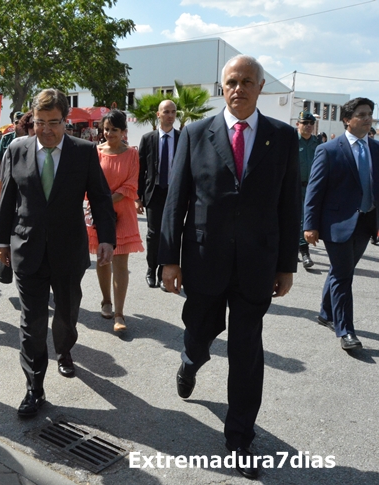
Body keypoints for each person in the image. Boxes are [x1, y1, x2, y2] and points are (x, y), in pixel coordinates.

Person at [159, 55, 300, 479]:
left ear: (260, 88)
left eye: (247, 82)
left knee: (246, 350)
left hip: (256, 264)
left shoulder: (283, 137)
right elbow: (176, 198)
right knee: (200, 330)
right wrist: (168, 259)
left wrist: (285, 265)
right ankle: (190, 359)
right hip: (204, 260)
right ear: (223, 88)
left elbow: (288, 204)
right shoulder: (197, 134)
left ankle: (240, 437)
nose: (238, 88)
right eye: (231, 82)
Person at [0, 88, 116, 418]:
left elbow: (101, 198)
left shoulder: (84, 152)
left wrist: (107, 238)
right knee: (31, 323)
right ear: (31, 120)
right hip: (27, 249)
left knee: (66, 315)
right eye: (39, 122)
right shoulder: (17, 149)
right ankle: (34, 387)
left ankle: (64, 350)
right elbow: (8, 198)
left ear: (65, 121)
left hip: (68, 251)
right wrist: (2, 241)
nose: (46, 130)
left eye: (53, 122)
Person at [303, 97, 378, 351]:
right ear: (347, 119)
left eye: (370, 114)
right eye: (361, 114)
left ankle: (326, 313)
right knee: (344, 276)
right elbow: (314, 190)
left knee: (339, 272)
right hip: (336, 224)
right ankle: (346, 331)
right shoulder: (329, 149)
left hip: (366, 223)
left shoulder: (376, 149)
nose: (368, 119)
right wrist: (309, 224)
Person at [87, 109, 143, 332]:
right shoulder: (96, 152)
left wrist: (105, 201)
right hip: (100, 214)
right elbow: (88, 182)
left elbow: (130, 185)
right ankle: (106, 301)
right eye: (106, 129)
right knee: (103, 259)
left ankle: (119, 314)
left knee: (121, 263)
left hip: (123, 212)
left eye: (114, 130)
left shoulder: (132, 154)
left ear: (123, 132)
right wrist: (100, 205)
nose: (109, 133)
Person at [137, 99, 179, 290]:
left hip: (174, 194)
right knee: (153, 235)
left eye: (173, 112)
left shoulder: (183, 138)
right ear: (158, 114)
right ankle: (151, 270)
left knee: (169, 235)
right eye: (166, 112)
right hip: (154, 193)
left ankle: (164, 273)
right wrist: (138, 198)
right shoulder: (148, 139)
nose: (170, 115)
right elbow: (140, 170)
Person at [295, 110, 322, 269]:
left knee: (305, 219)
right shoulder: (291, 141)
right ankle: (298, 250)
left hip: (312, 188)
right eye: (305, 123)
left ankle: (304, 251)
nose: (309, 126)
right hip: (293, 186)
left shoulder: (317, 144)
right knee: (293, 219)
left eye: (312, 123)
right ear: (298, 124)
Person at [0, 111, 25, 190]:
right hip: (7, 178)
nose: (20, 125)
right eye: (17, 122)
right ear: (13, 124)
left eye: (22, 122)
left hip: (25, 179)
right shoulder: (6, 138)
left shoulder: (32, 138)